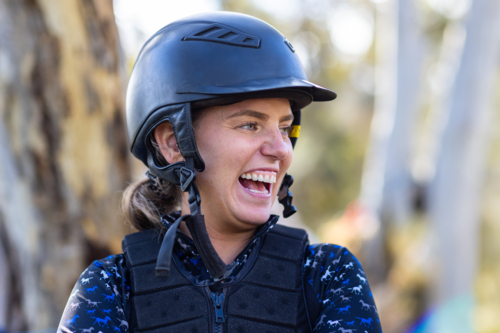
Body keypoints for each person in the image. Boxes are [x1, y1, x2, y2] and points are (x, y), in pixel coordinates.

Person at [58, 12, 383, 333]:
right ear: (174, 143)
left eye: (284, 128)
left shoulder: (327, 277)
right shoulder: (112, 288)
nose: (281, 150)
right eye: (250, 125)